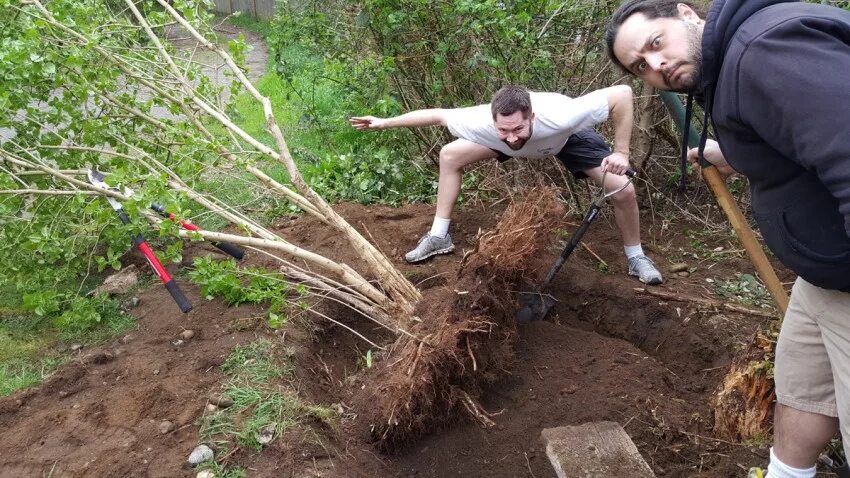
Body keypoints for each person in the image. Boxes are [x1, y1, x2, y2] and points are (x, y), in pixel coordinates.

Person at [606, 1, 850, 477]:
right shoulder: (736, 65)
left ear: (685, 13)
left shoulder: (764, 51)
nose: (656, 65)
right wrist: (735, 151)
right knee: (802, 386)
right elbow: (801, 136)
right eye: (641, 65)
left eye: (656, 42)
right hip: (823, 280)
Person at [350, 85, 664, 285]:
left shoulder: (563, 116)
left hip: (565, 141)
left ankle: (636, 257)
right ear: (493, 121)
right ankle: (438, 236)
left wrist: (621, 152)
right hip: (518, 140)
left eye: (517, 128)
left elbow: (622, 94)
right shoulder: (484, 125)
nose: (511, 136)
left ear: (532, 117)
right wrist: (384, 122)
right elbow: (436, 115)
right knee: (450, 154)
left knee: (623, 189)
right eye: (504, 129)